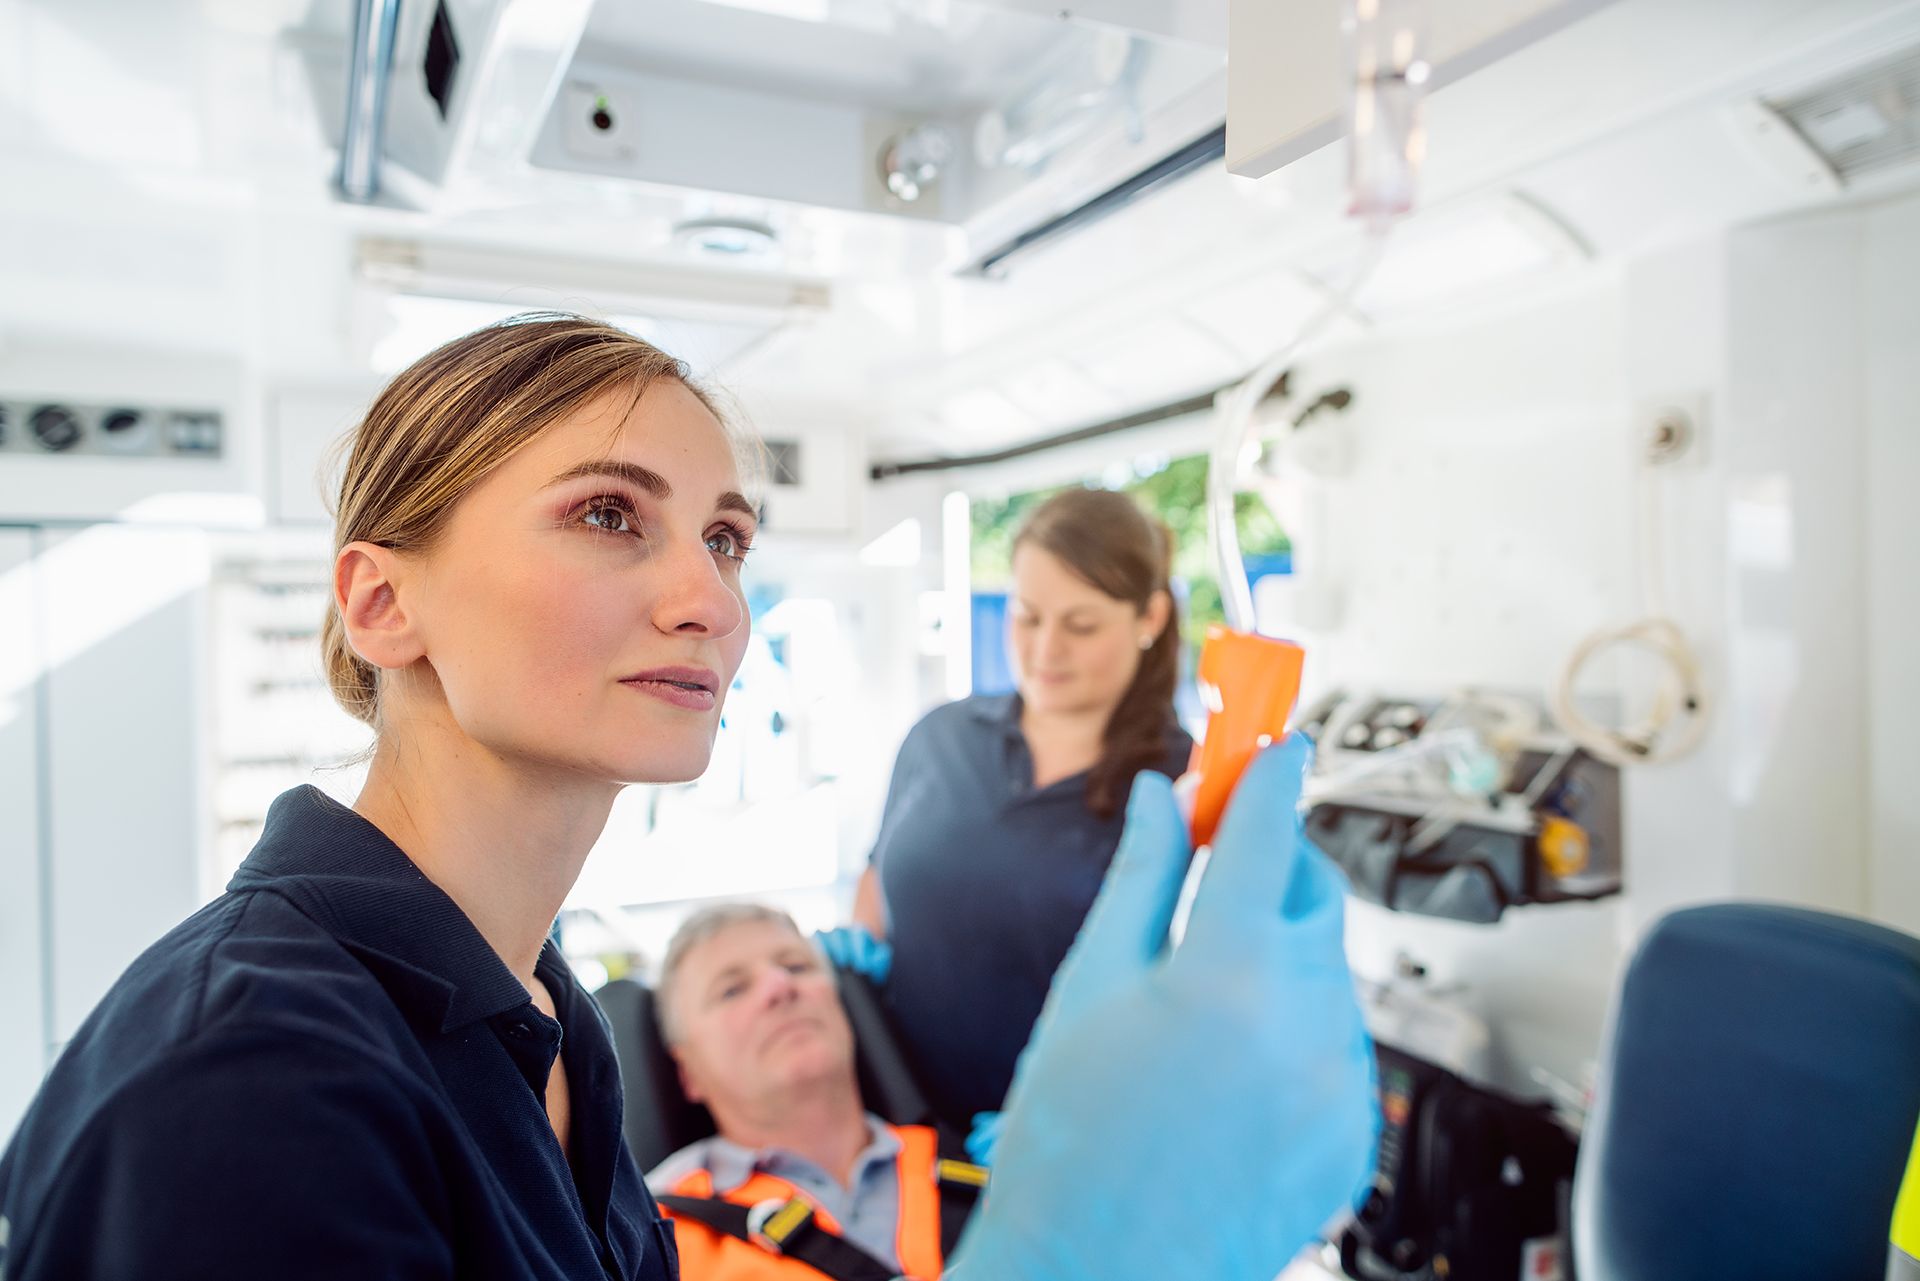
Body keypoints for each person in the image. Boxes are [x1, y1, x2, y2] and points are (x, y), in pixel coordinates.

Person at [0, 313, 1376, 1281]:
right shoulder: (243, 1085)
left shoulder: (552, 1027)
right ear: (382, 600)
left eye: (727, 537)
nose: (712, 597)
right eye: (610, 514)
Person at [828, 487, 1192, 1130]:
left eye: (1081, 625)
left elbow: (1188, 999)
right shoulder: (941, 736)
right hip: (892, 1126)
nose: (1046, 651)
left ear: (1150, 619)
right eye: (1027, 616)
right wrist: (858, 959)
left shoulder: (1183, 783)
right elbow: (877, 879)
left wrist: (1078, 1121)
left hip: (1068, 1152)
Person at [646, 903, 983, 1280]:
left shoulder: (981, 1163)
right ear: (688, 1072)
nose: (780, 986)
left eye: (797, 967)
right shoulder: (647, 1234)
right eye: (732, 990)